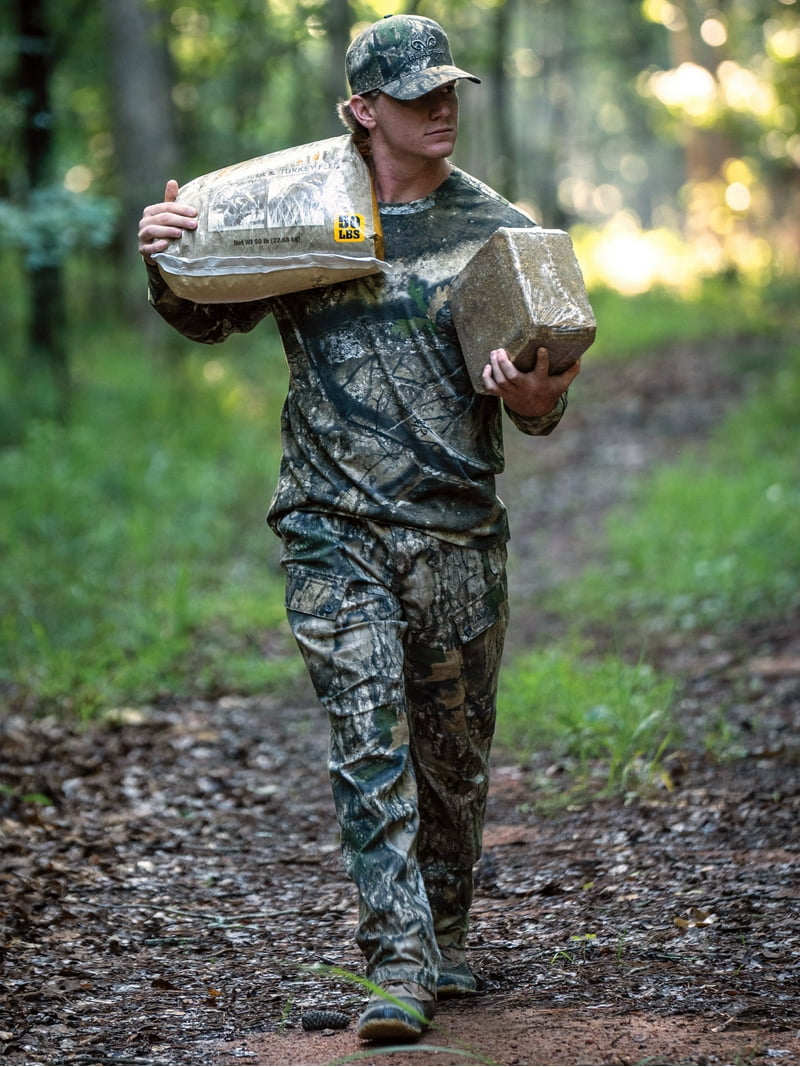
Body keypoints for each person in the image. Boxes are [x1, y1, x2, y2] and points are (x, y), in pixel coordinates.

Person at [138, 13, 581, 1045]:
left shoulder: (501, 232)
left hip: (456, 533)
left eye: (449, 90)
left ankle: (447, 928)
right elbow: (206, 314)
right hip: (330, 524)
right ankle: (394, 960)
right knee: (365, 736)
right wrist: (165, 258)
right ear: (361, 109)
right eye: (417, 94)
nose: (440, 108)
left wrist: (526, 394)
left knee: (451, 760)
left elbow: (546, 401)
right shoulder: (305, 209)